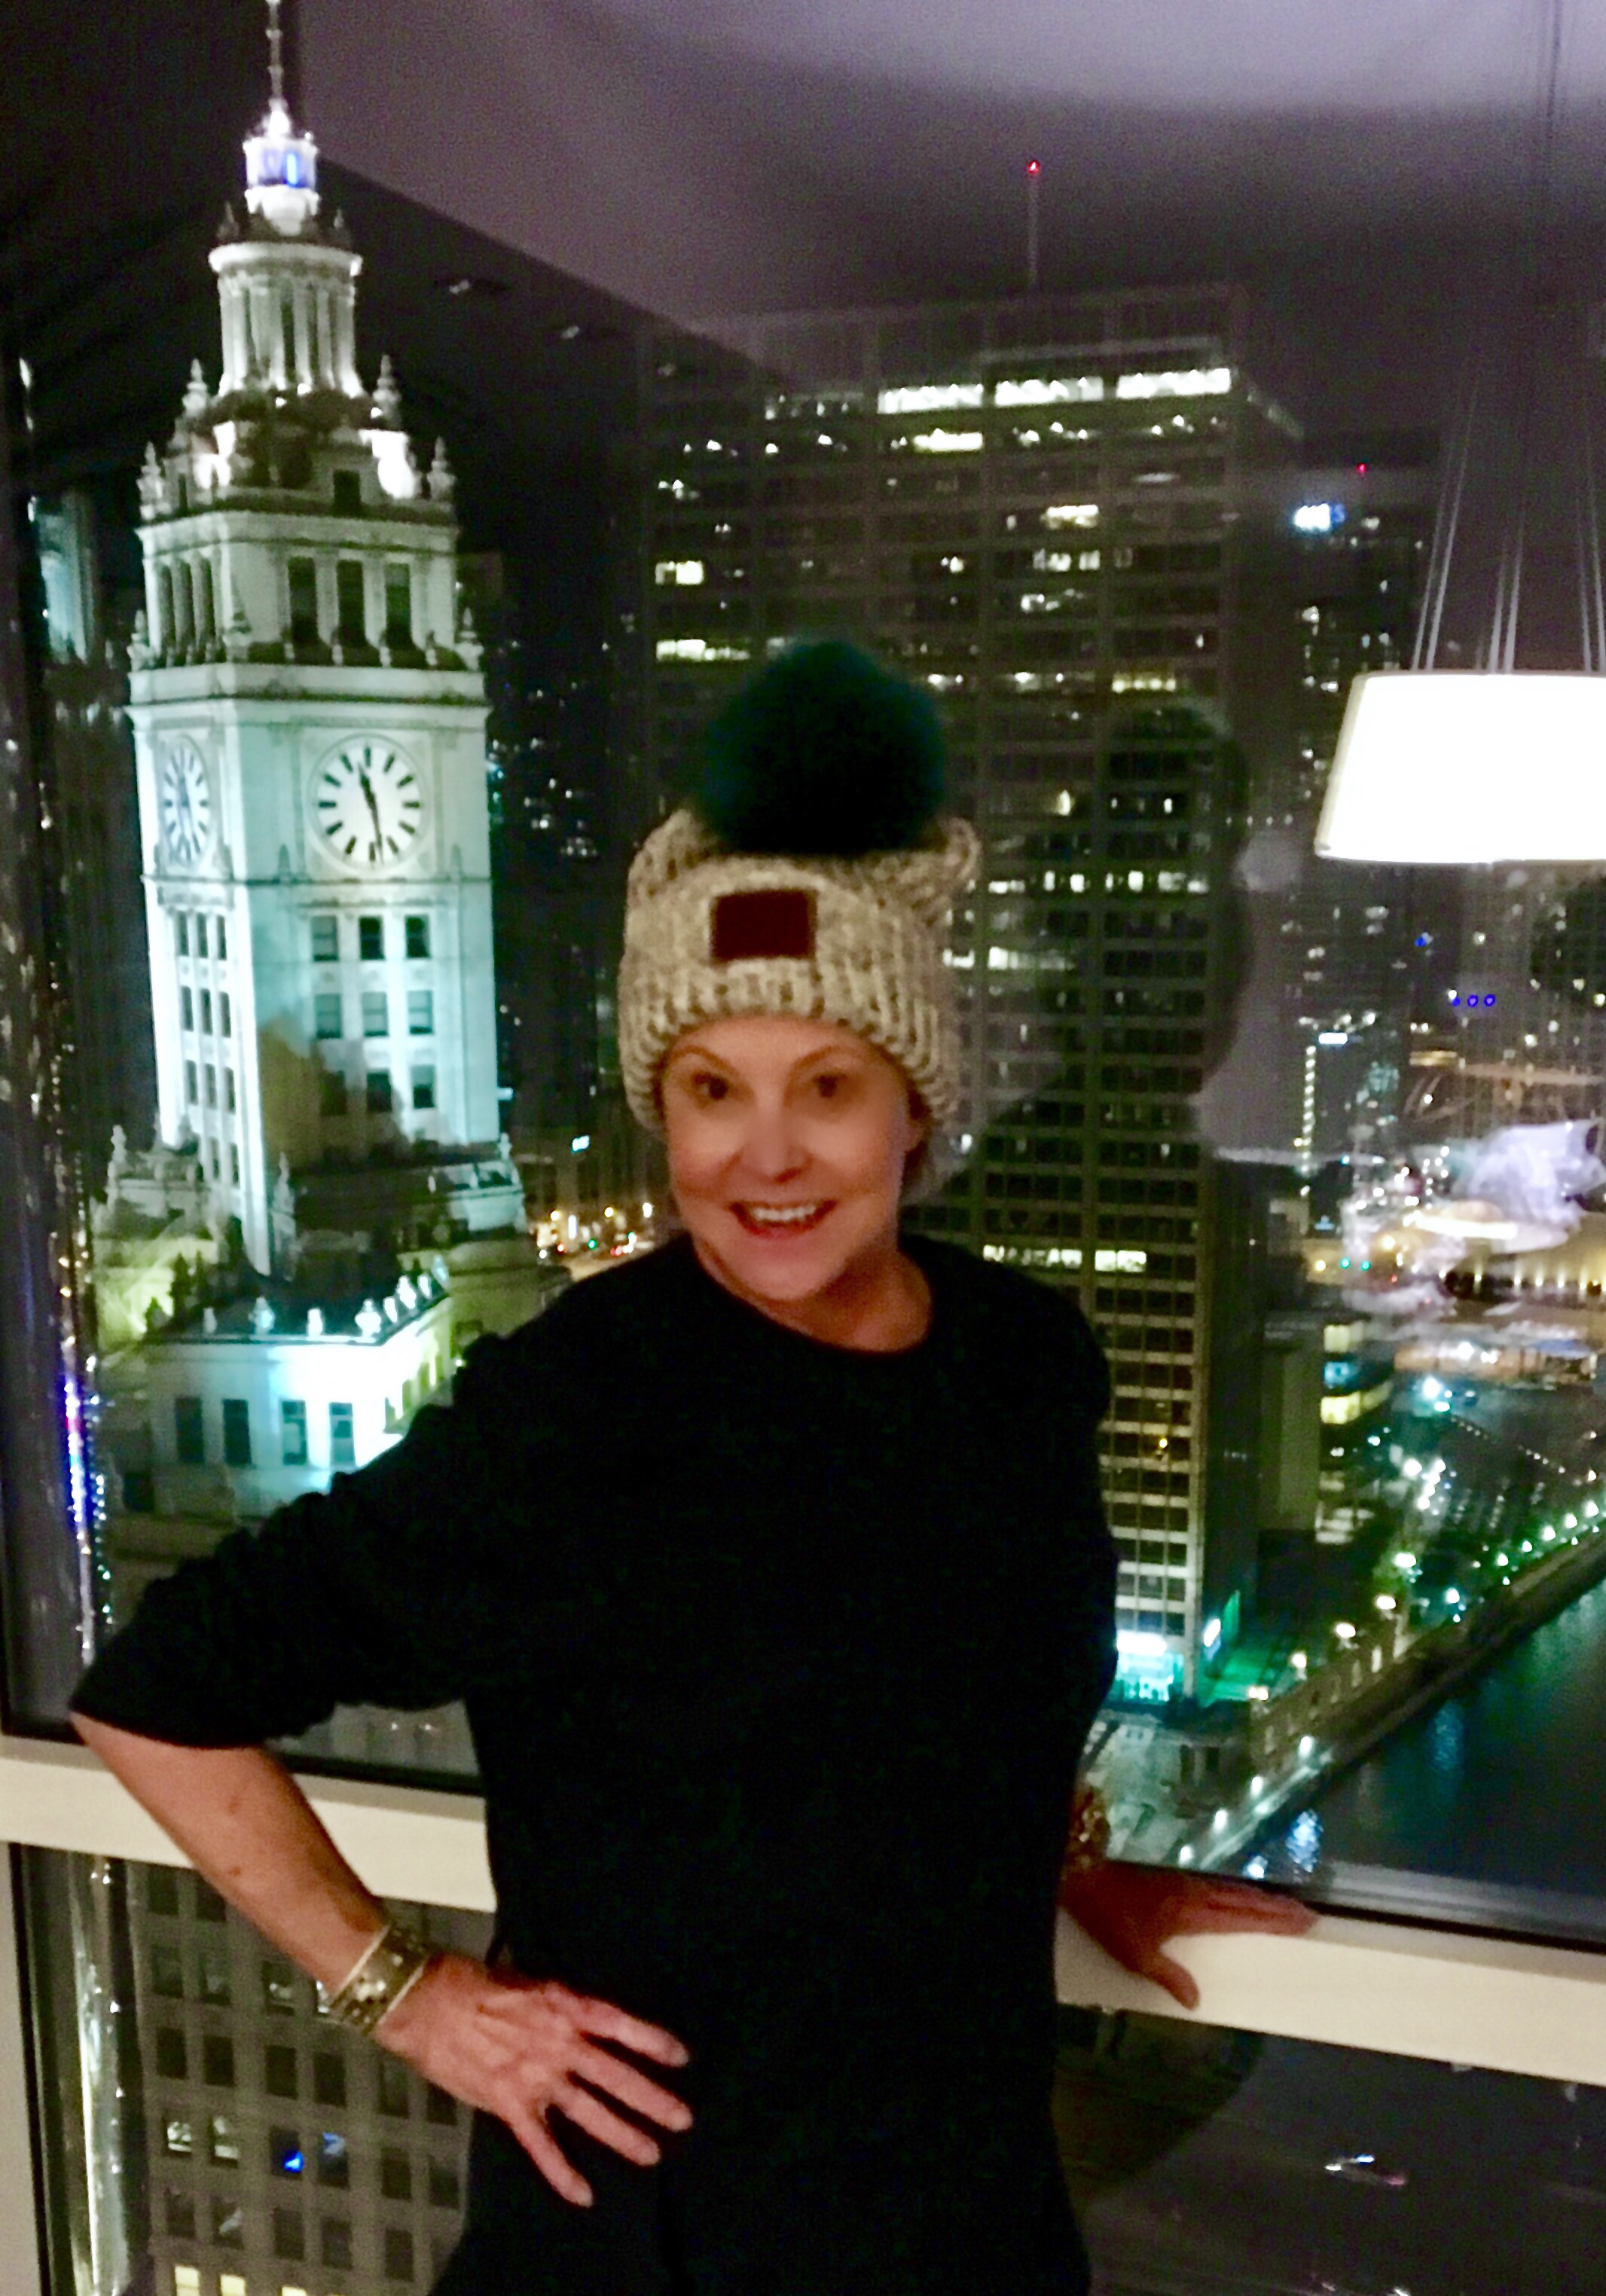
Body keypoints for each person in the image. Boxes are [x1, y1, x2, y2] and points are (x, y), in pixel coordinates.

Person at [72, 642, 1308, 2294]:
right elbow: (154, 1693)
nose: (765, 1153)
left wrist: (1062, 1865)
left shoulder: (1020, 1363)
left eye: (827, 1087)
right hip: (661, 2247)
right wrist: (405, 1994)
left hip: (969, 2228)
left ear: (913, 1109)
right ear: (661, 1114)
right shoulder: (580, 1409)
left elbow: (934, 1693)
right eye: (710, 1090)